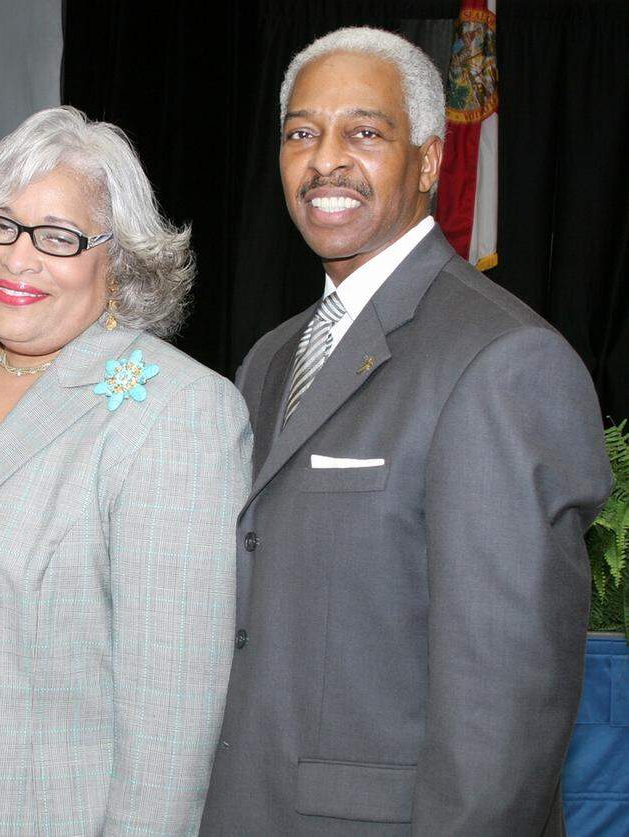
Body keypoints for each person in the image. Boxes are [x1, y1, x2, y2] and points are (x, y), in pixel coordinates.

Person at [201, 27, 611, 835]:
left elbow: (504, 712)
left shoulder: (503, 360)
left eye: (364, 132)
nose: (325, 161)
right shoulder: (271, 357)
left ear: (428, 162)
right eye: (301, 133)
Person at [0, 106, 252, 835]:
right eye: (1, 224)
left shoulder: (177, 413)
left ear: (118, 261)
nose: (18, 258)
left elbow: (170, 734)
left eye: (59, 236)